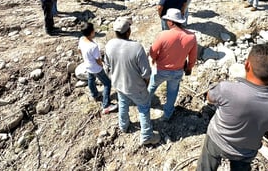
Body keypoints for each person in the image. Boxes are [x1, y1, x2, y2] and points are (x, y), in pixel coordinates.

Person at [196, 44, 268, 171]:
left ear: (247, 65)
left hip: (218, 139)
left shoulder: (227, 89)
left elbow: (209, 98)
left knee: (205, 167)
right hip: (247, 150)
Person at [104, 17, 161, 146]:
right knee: (144, 107)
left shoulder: (109, 45)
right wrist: (144, 85)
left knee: (123, 103)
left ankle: (123, 126)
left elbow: (107, 67)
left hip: (119, 84)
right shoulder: (137, 48)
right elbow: (146, 73)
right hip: (136, 87)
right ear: (128, 32)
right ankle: (146, 135)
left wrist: (114, 79)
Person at [148, 8, 197, 121]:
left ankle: (145, 104)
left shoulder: (163, 35)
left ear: (171, 22)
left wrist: (154, 59)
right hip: (178, 71)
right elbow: (193, 58)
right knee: (172, 93)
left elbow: (153, 51)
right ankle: (167, 115)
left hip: (160, 70)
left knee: (151, 87)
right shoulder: (191, 37)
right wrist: (189, 68)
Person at [78, 22, 117, 114]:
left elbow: (79, 50)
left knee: (91, 79)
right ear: (92, 32)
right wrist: (102, 65)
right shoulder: (93, 46)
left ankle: (94, 94)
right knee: (107, 83)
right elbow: (98, 60)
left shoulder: (81, 39)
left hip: (87, 65)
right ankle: (106, 105)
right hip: (96, 68)